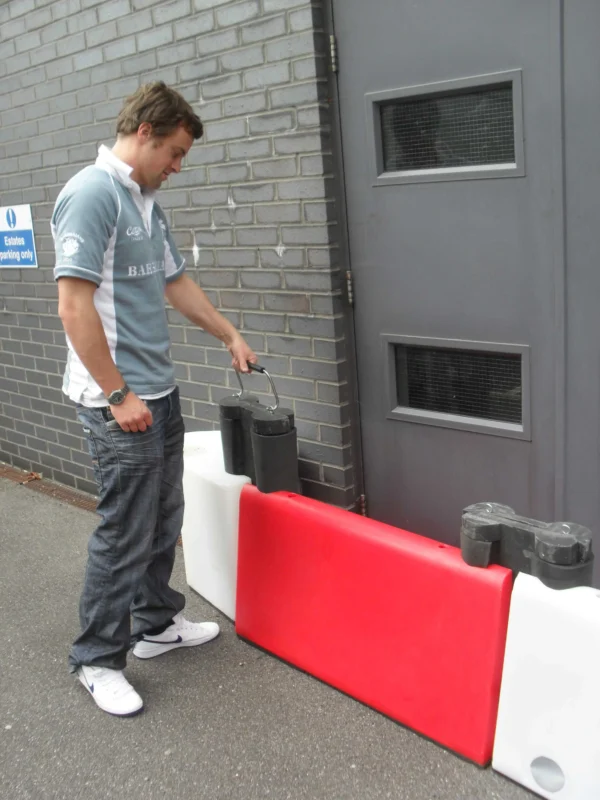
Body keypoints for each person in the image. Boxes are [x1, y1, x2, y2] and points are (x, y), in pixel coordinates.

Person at [52, 82, 256, 717]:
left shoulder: (145, 201)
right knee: (125, 531)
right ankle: (95, 658)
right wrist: (117, 394)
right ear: (145, 131)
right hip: (118, 402)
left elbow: (175, 281)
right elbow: (73, 305)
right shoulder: (92, 193)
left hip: (157, 396)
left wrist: (229, 333)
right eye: (173, 152)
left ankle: (155, 624)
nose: (176, 166)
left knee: (164, 520)